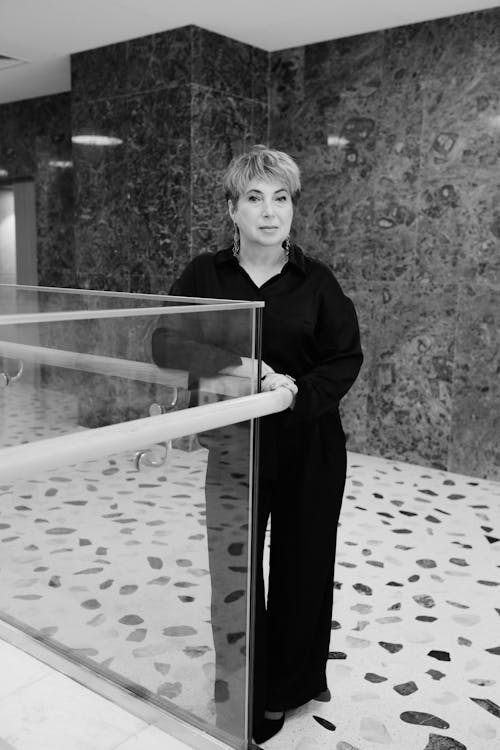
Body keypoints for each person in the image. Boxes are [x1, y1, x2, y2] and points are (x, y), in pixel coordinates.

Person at [152, 145, 363, 745]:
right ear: (232, 209)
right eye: (254, 198)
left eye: (281, 198)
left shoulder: (316, 280)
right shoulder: (206, 275)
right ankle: (244, 686)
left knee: (303, 567)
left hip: (308, 447)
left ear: (293, 209)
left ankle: (291, 684)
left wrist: (297, 394)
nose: (270, 212)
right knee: (236, 572)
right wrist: (243, 365)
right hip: (234, 446)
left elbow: (345, 356)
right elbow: (165, 341)